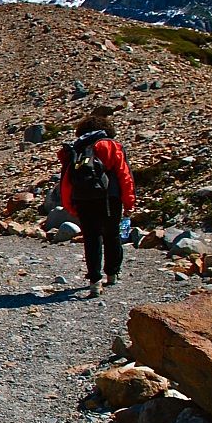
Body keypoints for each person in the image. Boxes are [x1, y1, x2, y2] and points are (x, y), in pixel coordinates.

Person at [58, 115, 136, 297]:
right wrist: (129, 202)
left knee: (91, 238)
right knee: (112, 234)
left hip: (83, 199)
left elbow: (66, 180)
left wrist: (69, 205)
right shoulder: (110, 145)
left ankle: (94, 281)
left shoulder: (76, 148)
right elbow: (125, 175)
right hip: (110, 198)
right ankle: (112, 273)